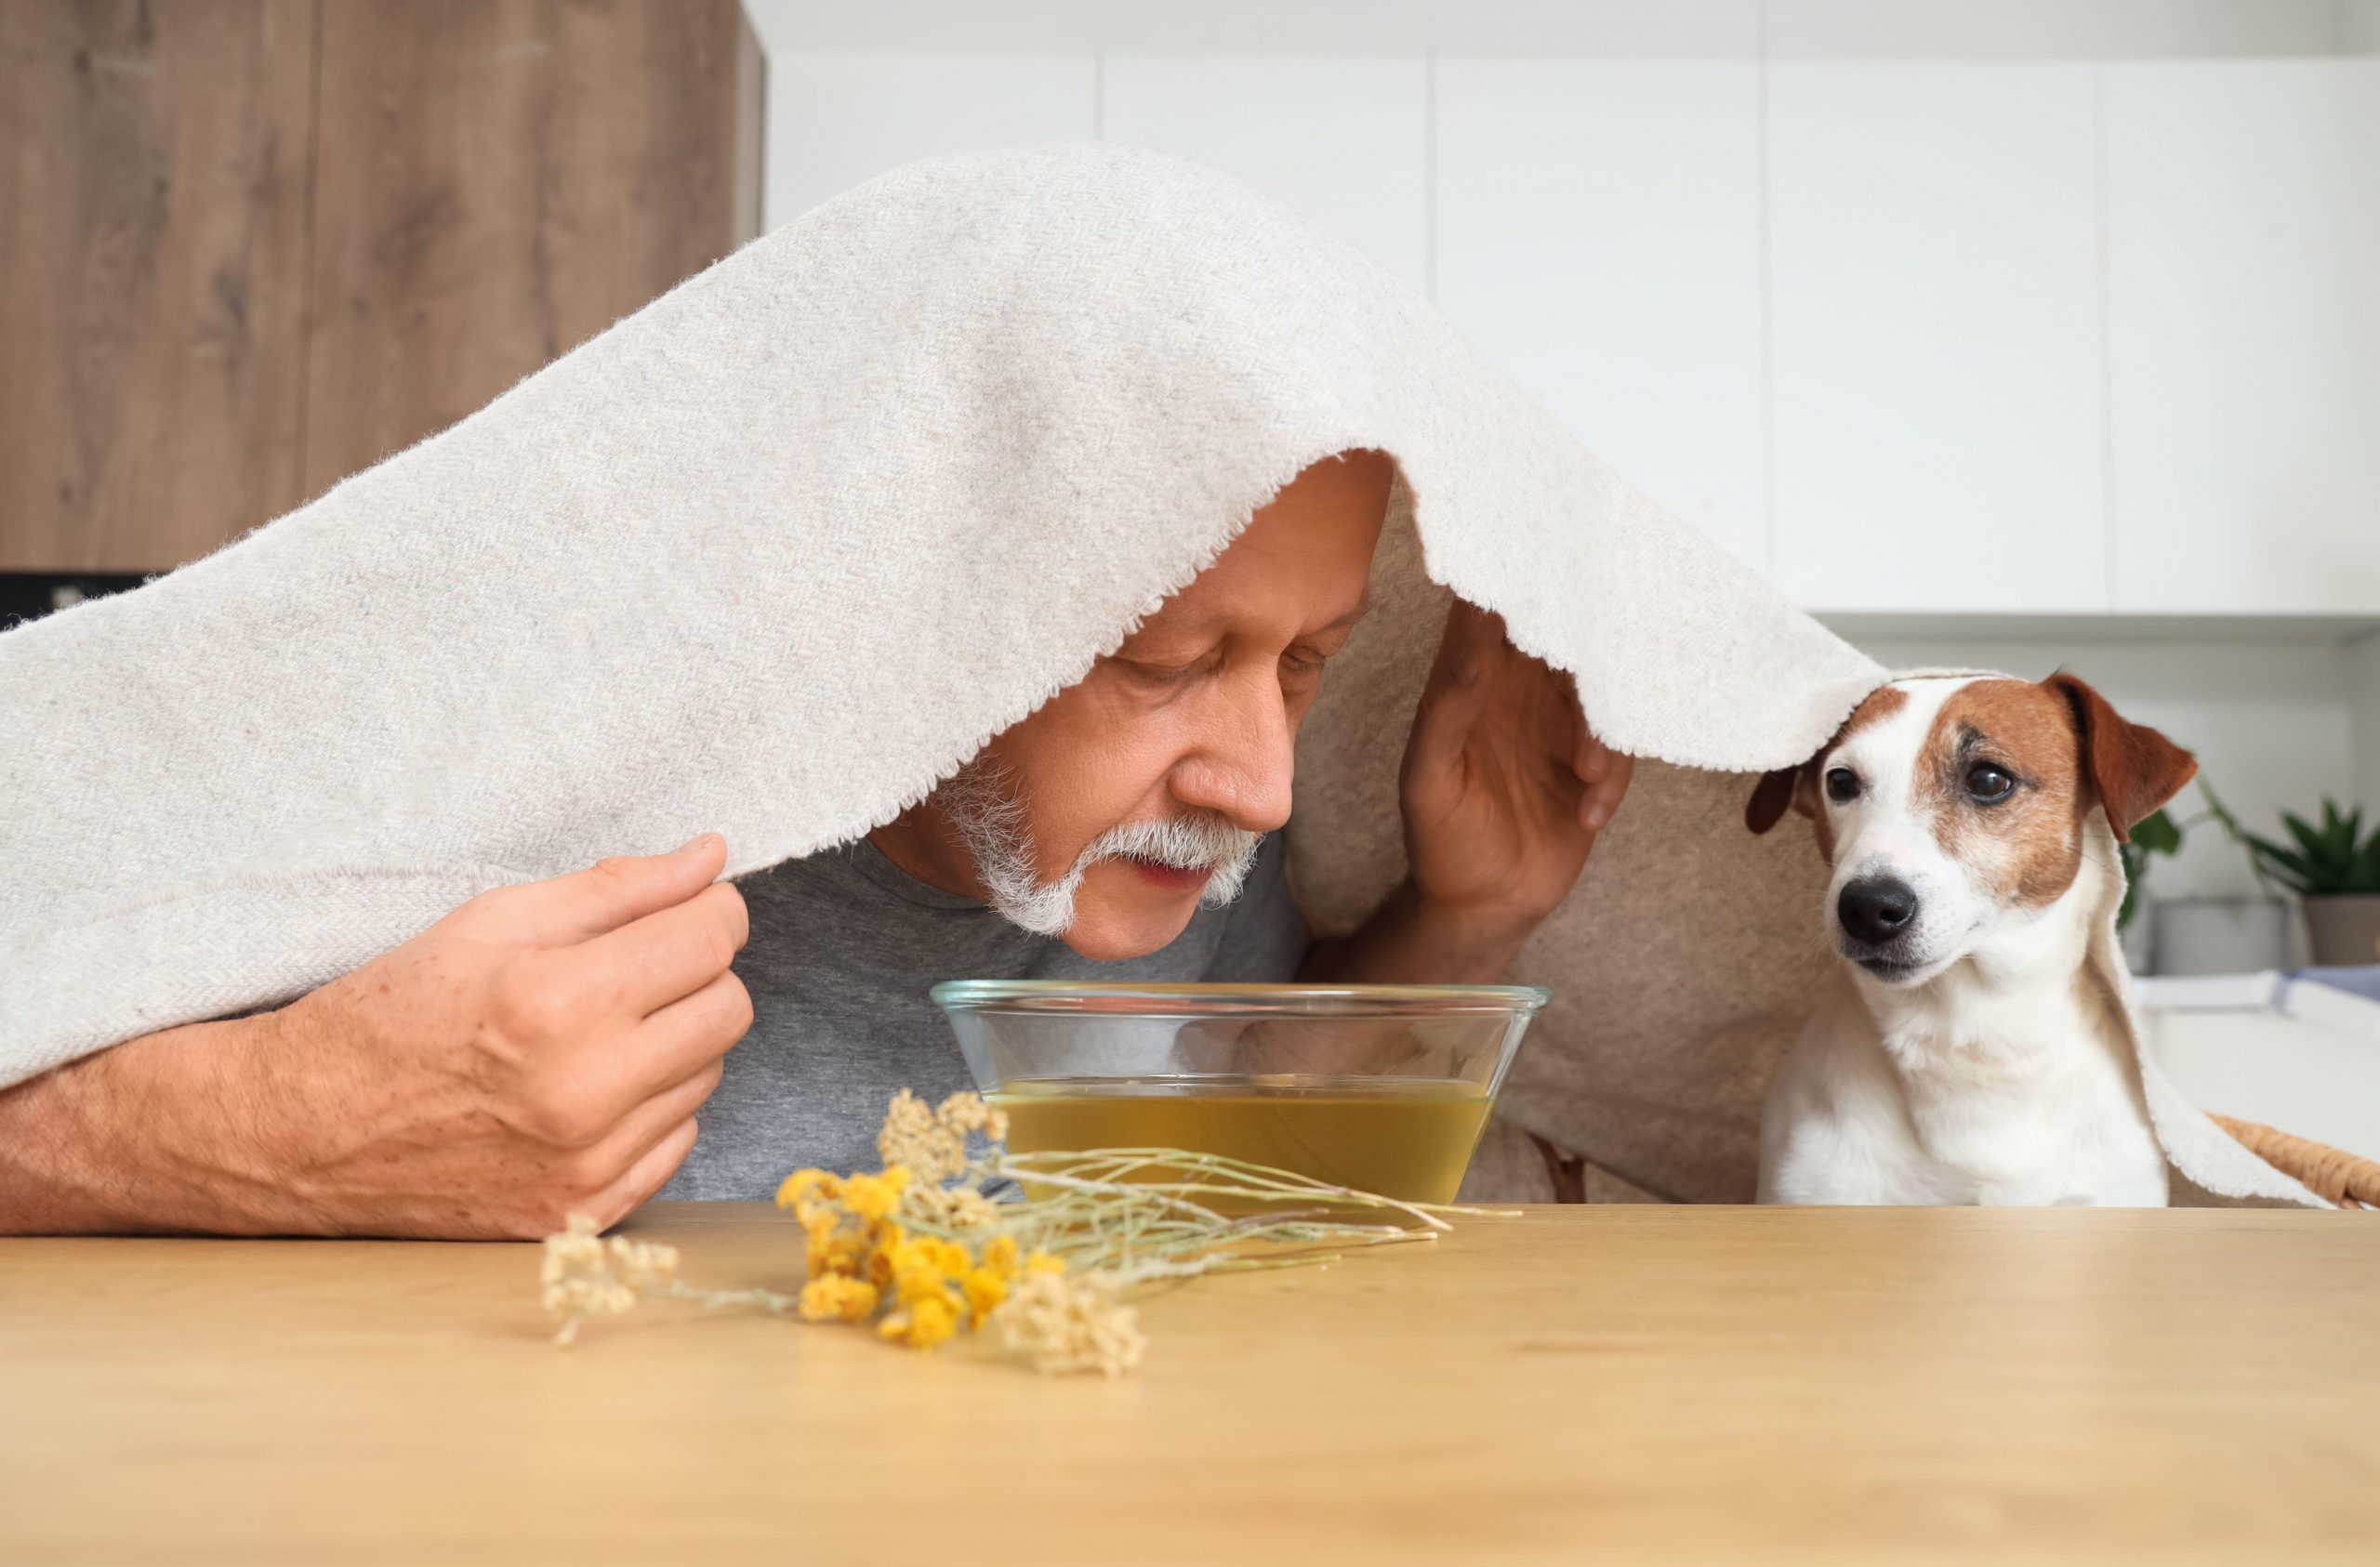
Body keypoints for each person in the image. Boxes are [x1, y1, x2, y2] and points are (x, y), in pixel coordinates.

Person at [0, 450, 1632, 1238]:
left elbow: (1240, 1151)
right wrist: (266, 1120)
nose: (1265, 786)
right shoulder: (553, 797)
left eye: (1303, 663)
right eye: (1164, 661)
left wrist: (1467, 918)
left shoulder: (1197, 850)